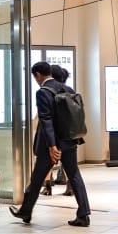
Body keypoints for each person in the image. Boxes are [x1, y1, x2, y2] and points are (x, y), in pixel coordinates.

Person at [9, 61, 91, 227]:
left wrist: (52, 146)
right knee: (74, 175)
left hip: (51, 145)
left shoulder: (43, 92)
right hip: (69, 140)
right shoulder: (68, 89)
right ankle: (84, 214)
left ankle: (25, 211)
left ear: (38, 74)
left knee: (38, 177)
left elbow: (46, 120)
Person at [42, 64, 74, 196]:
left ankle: (47, 186)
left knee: (47, 161)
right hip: (68, 133)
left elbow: (45, 117)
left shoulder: (48, 91)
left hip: (53, 134)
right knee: (68, 164)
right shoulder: (69, 90)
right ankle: (70, 186)